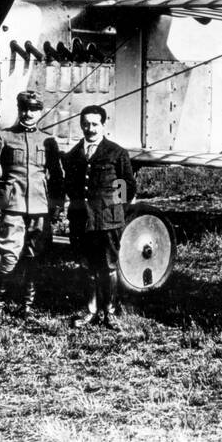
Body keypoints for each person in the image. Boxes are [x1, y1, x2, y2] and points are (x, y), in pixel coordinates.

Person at [0, 90, 63, 315]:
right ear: (19, 109)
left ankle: (27, 306)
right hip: (12, 207)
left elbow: (57, 177)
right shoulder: (3, 137)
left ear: (39, 112)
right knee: (10, 257)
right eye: (24, 109)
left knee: (34, 257)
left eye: (33, 109)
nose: (28, 114)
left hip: (39, 208)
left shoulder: (48, 140)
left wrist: (57, 205)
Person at [62, 104, 136, 330]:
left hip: (107, 220)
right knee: (87, 266)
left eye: (94, 124)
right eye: (85, 124)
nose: (90, 129)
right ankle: (91, 311)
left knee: (108, 266)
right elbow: (70, 186)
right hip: (82, 221)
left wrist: (115, 208)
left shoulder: (116, 153)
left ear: (103, 125)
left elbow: (127, 186)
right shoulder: (74, 154)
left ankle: (110, 312)